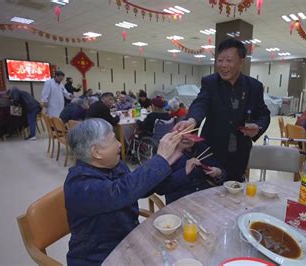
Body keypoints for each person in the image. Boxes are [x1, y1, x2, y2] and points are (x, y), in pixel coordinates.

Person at [64, 118, 182, 265]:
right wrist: (161, 158)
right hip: (98, 257)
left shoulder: (115, 165)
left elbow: (137, 189)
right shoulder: (79, 186)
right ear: (96, 152)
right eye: (114, 140)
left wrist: (172, 158)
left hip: (128, 241)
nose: (120, 144)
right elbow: (121, 191)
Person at [173, 38, 271, 181]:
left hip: (239, 153)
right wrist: (192, 120)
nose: (223, 65)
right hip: (211, 151)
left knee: (235, 189)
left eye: (229, 61)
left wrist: (258, 127)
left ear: (241, 62)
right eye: (220, 60)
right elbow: (201, 103)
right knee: (208, 188)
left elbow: (264, 114)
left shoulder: (254, 87)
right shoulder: (210, 82)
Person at [155, 137, 226, 204]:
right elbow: (161, 189)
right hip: (179, 201)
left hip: (205, 196)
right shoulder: (166, 152)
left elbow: (221, 172)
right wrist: (185, 171)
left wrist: (218, 172)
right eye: (182, 133)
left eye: (191, 133)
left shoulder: (201, 147)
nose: (186, 138)